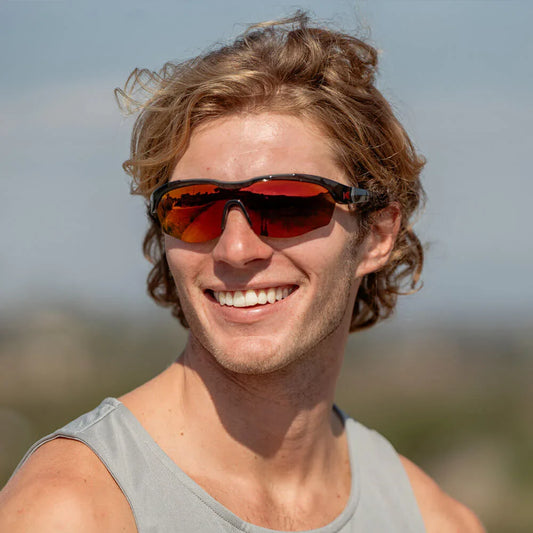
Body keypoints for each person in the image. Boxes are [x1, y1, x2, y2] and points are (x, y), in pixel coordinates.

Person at [0, 12, 484, 532]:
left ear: (377, 235)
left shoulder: (435, 521)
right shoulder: (72, 509)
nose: (235, 249)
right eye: (195, 207)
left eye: (287, 205)